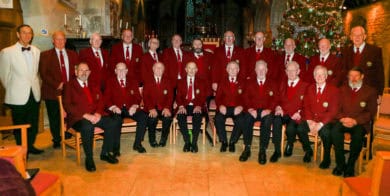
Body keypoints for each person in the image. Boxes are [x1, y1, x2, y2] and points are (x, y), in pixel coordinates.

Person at [63, 62, 122, 172]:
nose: (84, 73)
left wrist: (98, 113)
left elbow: (101, 101)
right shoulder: (69, 85)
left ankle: (105, 153)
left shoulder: (94, 84)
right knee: (87, 127)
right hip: (78, 118)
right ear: (76, 72)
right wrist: (85, 115)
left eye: (86, 70)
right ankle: (89, 158)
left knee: (112, 122)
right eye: (81, 70)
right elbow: (67, 105)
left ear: (89, 73)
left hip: (95, 115)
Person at [0, 24, 43, 154]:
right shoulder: (7, 52)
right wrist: (14, 89)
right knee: (19, 125)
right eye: (24, 33)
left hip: (34, 93)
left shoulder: (36, 51)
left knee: (33, 123)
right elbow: (4, 76)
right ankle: (21, 150)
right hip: (17, 95)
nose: (27, 35)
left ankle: (30, 145)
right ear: (18, 34)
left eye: (29, 33)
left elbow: (36, 74)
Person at [331, 67, 377, 177]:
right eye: (351, 76)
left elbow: (371, 112)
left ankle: (350, 166)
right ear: (348, 77)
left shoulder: (370, 91)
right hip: (343, 120)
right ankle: (340, 164)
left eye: (356, 76)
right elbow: (335, 108)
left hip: (359, 123)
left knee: (357, 137)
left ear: (362, 76)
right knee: (334, 132)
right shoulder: (341, 89)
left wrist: (356, 121)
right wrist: (342, 118)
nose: (354, 78)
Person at [39, 31, 79, 149]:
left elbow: (77, 71)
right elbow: (43, 74)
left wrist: (72, 85)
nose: (60, 42)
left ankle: (67, 134)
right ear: (53, 41)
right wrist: (58, 84)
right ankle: (56, 138)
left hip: (70, 91)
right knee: (54, 116)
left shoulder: (73, 54)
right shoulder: (45, 55)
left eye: (62, 39)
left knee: (70, 114)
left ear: (65, 41)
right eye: (57, 39)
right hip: (52, 91)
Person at [297, 65, 339, 168]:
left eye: (321, 74)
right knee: (300, 128)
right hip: (312, 119)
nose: (319, 77)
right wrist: (309, 121)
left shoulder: (334, 90)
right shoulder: (309, 88)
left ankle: (326, 157)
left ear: (326, 76)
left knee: (325, 132)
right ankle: (308, 150)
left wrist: (320, 124)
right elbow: (305, 106)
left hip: (326, 121)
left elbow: (333, 111)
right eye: (317, 74)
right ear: (314, 76)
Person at [104, 62, 148, 153]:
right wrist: (113, 107)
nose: (121, 72)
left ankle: (137, 144)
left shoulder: (133, 80)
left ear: (127, 71)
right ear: (115, 71)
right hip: (117, 109)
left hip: (130, 108)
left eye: (123, 69)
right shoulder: (110, 81)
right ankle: (115, 148)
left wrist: (135, 106)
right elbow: (106, 98)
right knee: (116, 120)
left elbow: (138, 97)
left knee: (143, 117)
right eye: (119, 70)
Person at [241, 60, 278, 164]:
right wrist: (249, 109)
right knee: (246, 119)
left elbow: (276, 98)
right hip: (253, 109)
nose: (261, 71)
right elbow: (245, 97)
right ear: (255, 70)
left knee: (267, 122)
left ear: (266, 70)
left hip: (267, 111)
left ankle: (262, 150)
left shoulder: (273, 83)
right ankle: (247, 149)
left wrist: (269, 109)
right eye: (259, 69)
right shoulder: (249, 82)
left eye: (263, 69)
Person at [273, 61, 309, 158]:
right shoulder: (282, 84)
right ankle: (277, 150)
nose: (291, 73)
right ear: (285, 71)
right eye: (288, 70)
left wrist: (300, 112)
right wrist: (278, 107)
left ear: (298, 71)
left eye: (293, 70)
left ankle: (290, 144)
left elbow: (307, 104)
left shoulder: (305, 86)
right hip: (283, 113)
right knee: (276, 120)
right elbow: (276, 99)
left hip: (296, 114)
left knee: (291, 127)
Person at [341, 26, 384, 102]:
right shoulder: (345, 51)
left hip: (368, 93)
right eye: (354, 35)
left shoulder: (375, 51)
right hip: (349, 92)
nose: (357, 37)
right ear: (351, 37)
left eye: (360, 35)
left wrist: (380, 93)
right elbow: (343, 72)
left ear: (364, 36)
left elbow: (380, 74)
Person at [175, 62, 207, 153]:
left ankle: (194, 142)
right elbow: (178, 96)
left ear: (196, 70)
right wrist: (181, 106)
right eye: (189, 68)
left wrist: (199, 106)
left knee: (197, 116)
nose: (192, 70)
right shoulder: (180, 82)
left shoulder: (202, 81)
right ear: (186, 69)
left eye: (194, 68)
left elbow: (203, 96)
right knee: (180, 116)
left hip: (196, 105)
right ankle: (187, 141)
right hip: (184, 105)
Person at [214, 61, 246, 153]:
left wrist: (241, 106)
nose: (232, 70)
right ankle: (224, 141)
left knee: (241, 120)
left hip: (237, 108)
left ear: (238, 70)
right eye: (230, 68)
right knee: (218, 118)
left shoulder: (243, 82)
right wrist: (220, 106)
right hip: (225, 107)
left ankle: (232, 142)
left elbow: (246, 98)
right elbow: (218, 97)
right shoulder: (222, 81)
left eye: (235, 68)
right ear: (227, 70)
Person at [142, 62, 174, 147]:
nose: (159, 70)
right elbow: (145, 97)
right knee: (152, 118)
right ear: (153, 69)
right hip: (151, 107)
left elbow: (170, 96)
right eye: (157, 68)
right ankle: (152, 139)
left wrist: (167, 108)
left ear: (163, 70)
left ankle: (163, 139)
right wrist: (151, 108)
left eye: (161, 68)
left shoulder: (168, 81)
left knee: (167, 118)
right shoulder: (147, 80)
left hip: (164, 107)